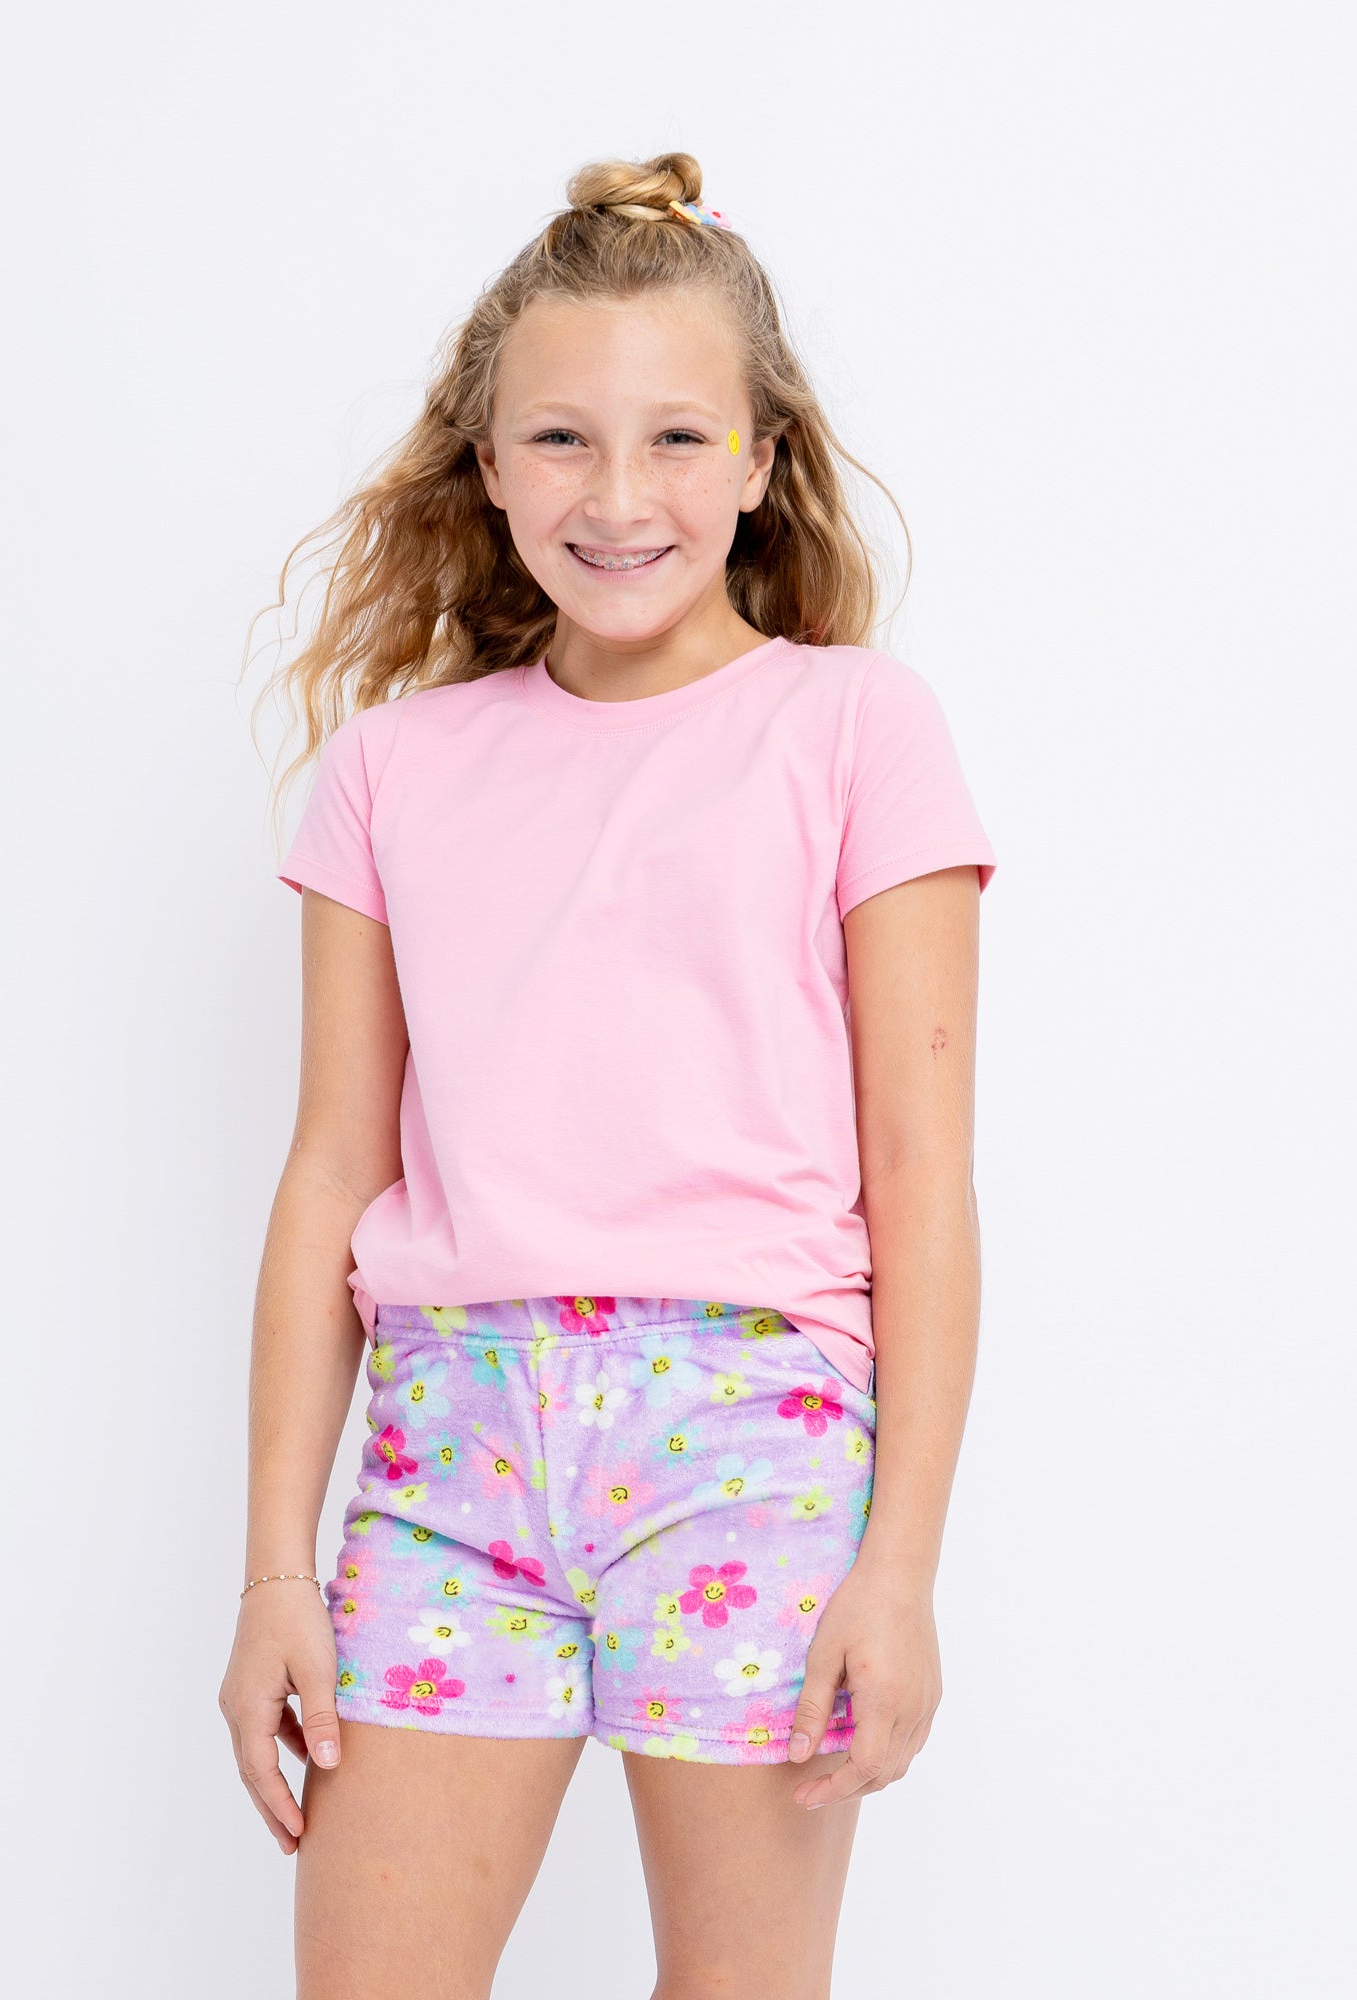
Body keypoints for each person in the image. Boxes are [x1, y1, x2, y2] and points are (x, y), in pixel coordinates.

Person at [220, 151, 998, 2000]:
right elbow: (331, 1170)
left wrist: (900, 1568)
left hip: (749, 1440)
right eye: (562, 439)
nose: (620, 495)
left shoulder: (854, 728)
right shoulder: (393, 770)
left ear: (760, 460)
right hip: (450, 1449)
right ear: (487, 465)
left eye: (676, 439)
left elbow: (921, 1176)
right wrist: (274, 1573)